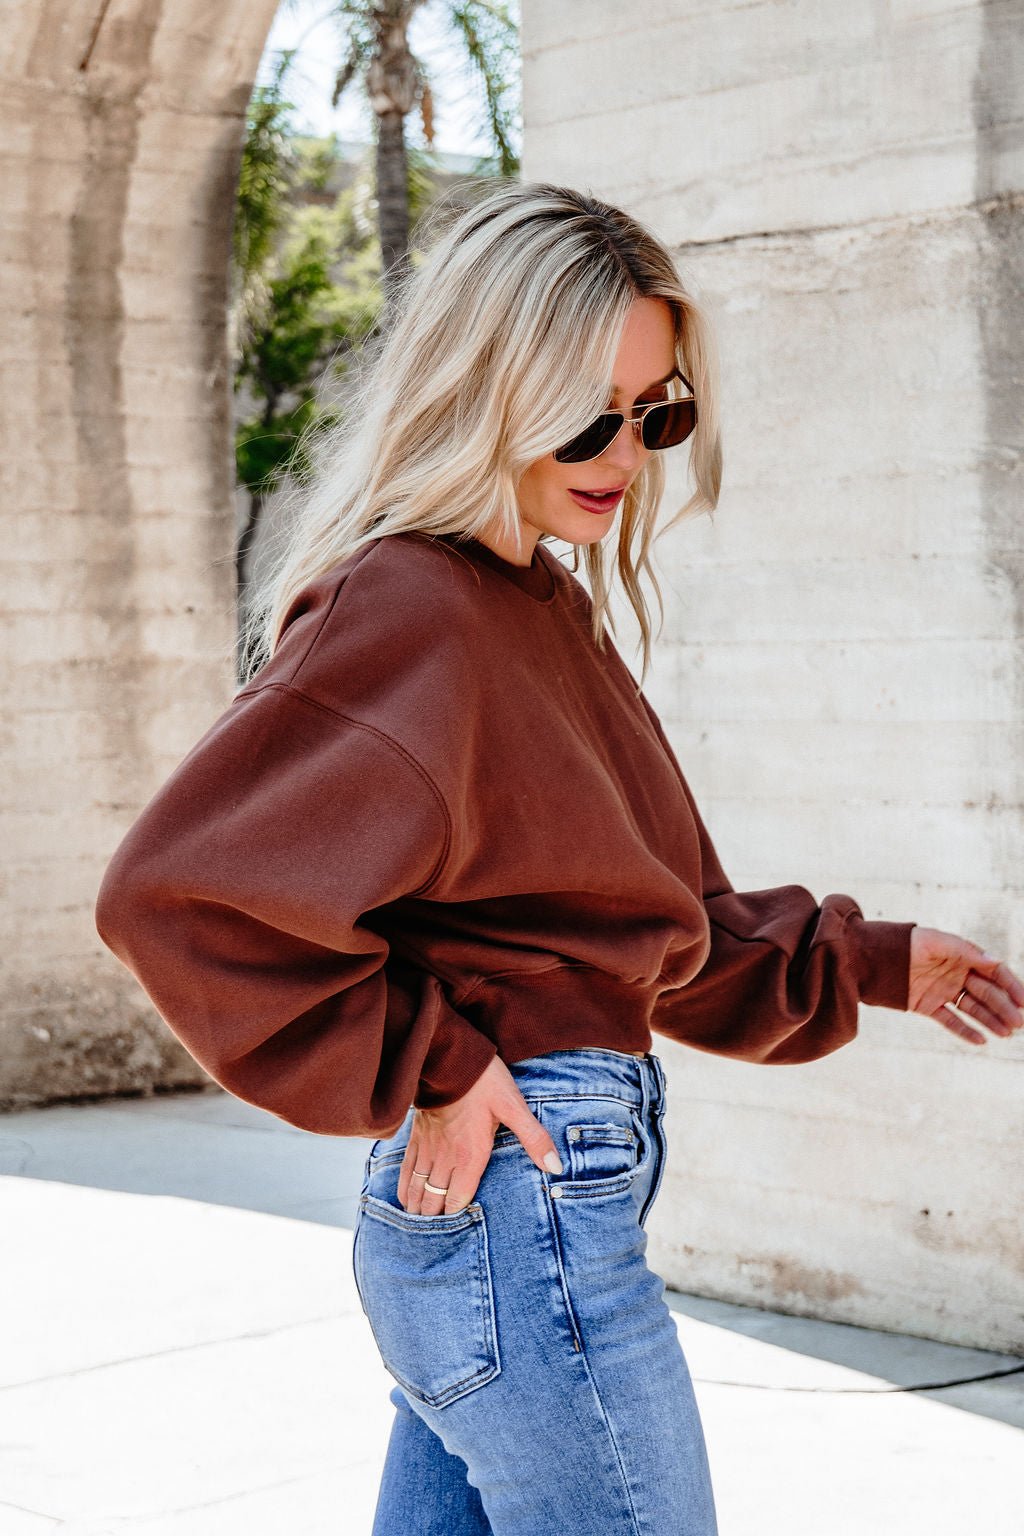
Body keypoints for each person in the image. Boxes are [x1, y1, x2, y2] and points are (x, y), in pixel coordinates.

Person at [94, 180, 1024, 1535]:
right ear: (490, 389)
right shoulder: (412, 606)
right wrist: (437, 1062)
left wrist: (880, 962)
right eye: (592, 412)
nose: (628, 452)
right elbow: (174, 897)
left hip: (519, 1218)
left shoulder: (535, 611)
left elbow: (658, 924)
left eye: (660, 414)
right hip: (518, 1217)